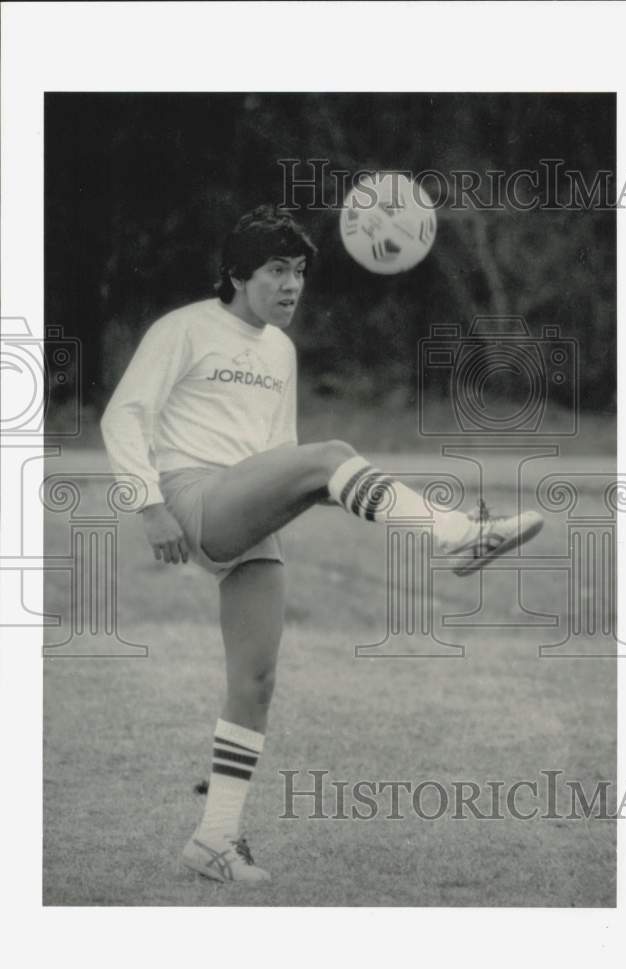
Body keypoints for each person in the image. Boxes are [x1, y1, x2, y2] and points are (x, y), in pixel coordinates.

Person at [101, 205, 544, 884]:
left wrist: (318, 491)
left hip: (248, 507)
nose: (291, 285)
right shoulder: (185, 328)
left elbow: (281, 455)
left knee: (256, 681)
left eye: (300, 272)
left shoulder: (280, 351)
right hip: (194, 496)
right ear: (237, 275)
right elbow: (124, 415)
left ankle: (213, 840)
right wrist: (149, 505)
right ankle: (457, 535)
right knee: (332, 452)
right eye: (276, 271)